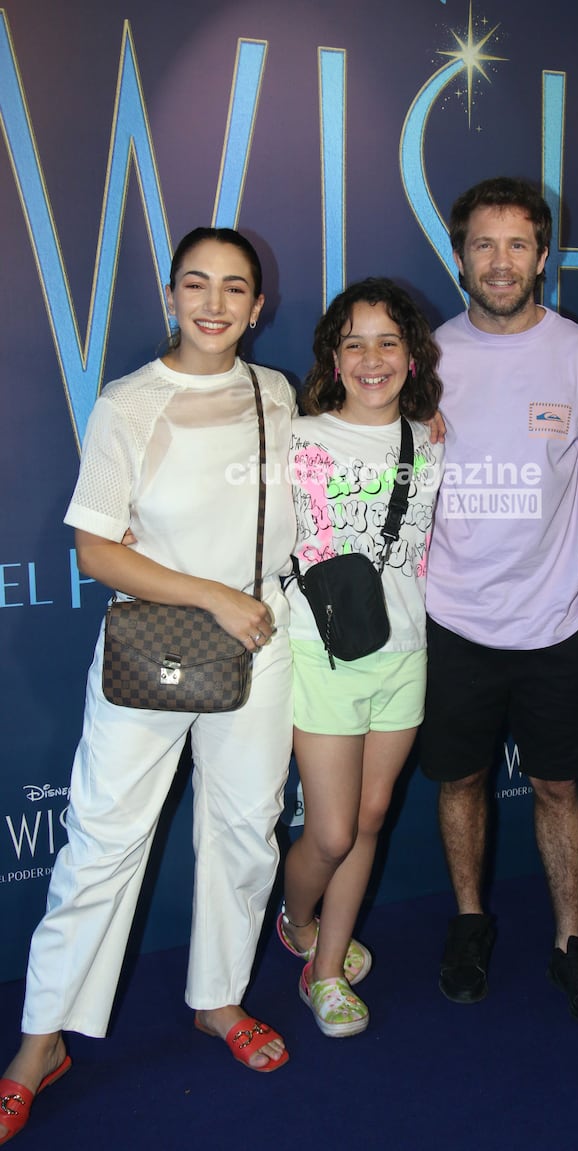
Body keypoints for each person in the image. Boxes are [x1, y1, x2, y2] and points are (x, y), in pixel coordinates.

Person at [0, 226, 297, 1144]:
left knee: (243, 831)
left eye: (234, 287)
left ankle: (218, 1000)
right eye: (196, 284)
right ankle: (37, 1045)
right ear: (171, 296)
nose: (214, 303)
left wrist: (426, 421)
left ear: (257, 306)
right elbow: (95, 547)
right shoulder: (130, 402)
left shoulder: (276, 393)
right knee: (100, 841)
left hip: (265, 638)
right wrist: (212, 596)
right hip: (156, 644)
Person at [420, 177, 578, 1029]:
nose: (500, 261)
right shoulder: (425, 358)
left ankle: (568, 943)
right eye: (483, 244)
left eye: (517, 244)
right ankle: (470, 921)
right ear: (460, 256)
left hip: (555, 628)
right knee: (462, 779)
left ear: (543, 256)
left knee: (556, 787)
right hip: (452, 623)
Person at [277, 278, 444, 1037]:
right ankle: (297, 916)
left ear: (411, 356)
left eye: (388, 341)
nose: (371, 358)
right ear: (332, 358)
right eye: (354, 343)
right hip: (322, 655)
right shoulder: (296, 438)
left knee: (372, 815)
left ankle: (325, 972)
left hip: (406, 650)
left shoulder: (431, 437)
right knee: (334, 830)